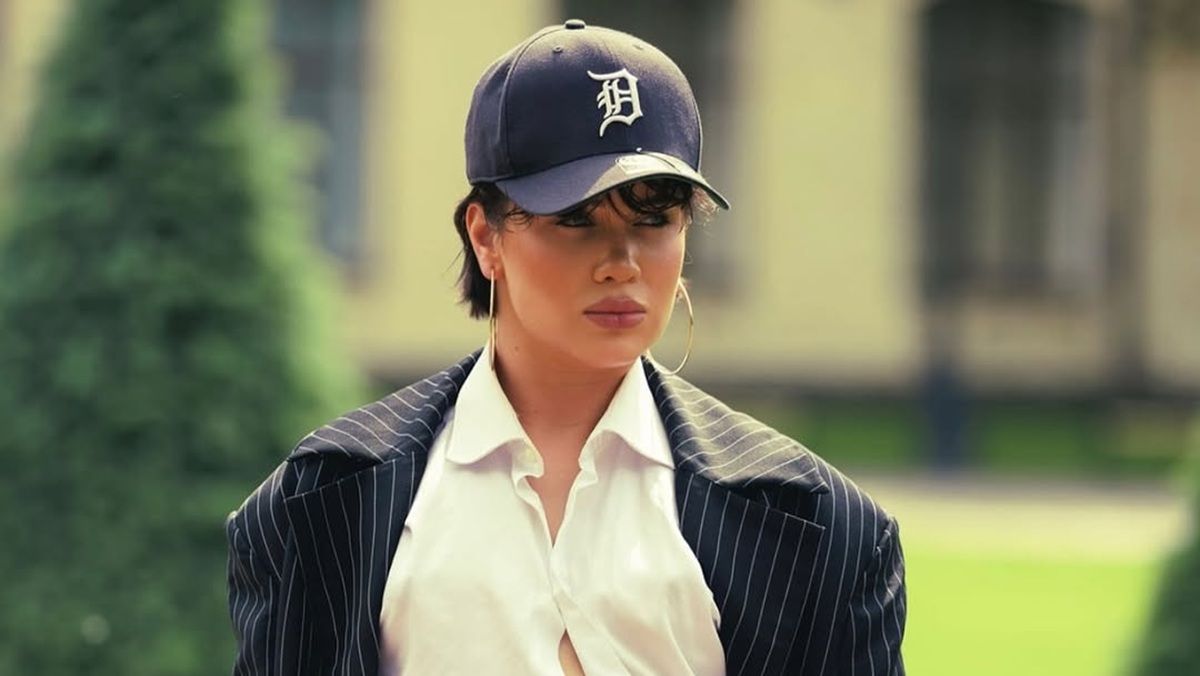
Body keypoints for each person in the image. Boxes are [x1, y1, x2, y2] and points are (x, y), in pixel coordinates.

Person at [227, 19, 906, 676]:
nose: (622, 262)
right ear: (485, 237)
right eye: (576, 219)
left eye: (655, 218)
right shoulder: (325, 502)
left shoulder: (818, 525)